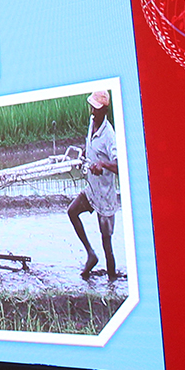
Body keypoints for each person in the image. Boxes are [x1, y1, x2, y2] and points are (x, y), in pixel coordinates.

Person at [68, 88, 119, 279]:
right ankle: (90, 254)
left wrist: (103, 164)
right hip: (91, 189)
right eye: (92, 107)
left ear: (104, 110)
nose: (92, 111)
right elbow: (91, 146)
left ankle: (112, 279)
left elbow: (119, 165)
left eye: (96, 109)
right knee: (72, 211)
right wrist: (84, 152)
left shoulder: (109, 135)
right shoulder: (92, 122)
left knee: (107, 243)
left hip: (105, 195)